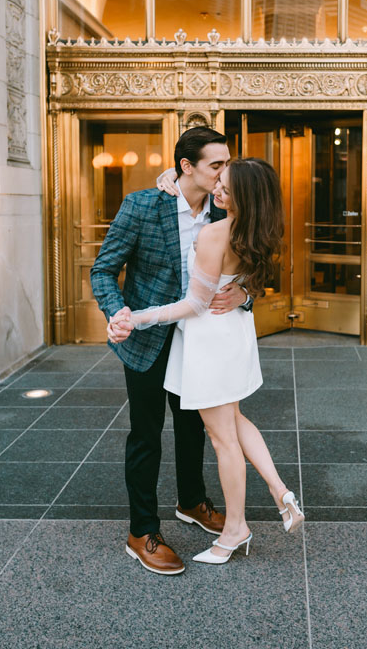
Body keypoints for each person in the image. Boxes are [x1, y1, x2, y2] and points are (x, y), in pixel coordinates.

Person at [109, 156, 304, 565]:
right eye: (218, 178)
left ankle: (236, 529)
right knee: (234, 420)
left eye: (227, 187)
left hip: (209, 337)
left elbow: (194, 305)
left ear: (243, 196)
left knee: (222, 439)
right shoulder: (257, 227)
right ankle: (279, 490)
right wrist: (169, 178)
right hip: (233, 333)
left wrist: (137, 317)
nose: (217, 188)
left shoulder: (216, 232)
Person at [91, 127, 250, 576]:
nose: (225, 172)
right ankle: (142, 530)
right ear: (186, 167)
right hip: (147, 337)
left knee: (194, 426)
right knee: (146, 433)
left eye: (226, 164)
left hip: (201, 338)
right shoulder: (143, 204)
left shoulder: (226, 211)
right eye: (216, 165)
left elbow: (253, 268)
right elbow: (103, 270)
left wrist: (245, 296)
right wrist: (118, 311)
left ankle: (192, 501)